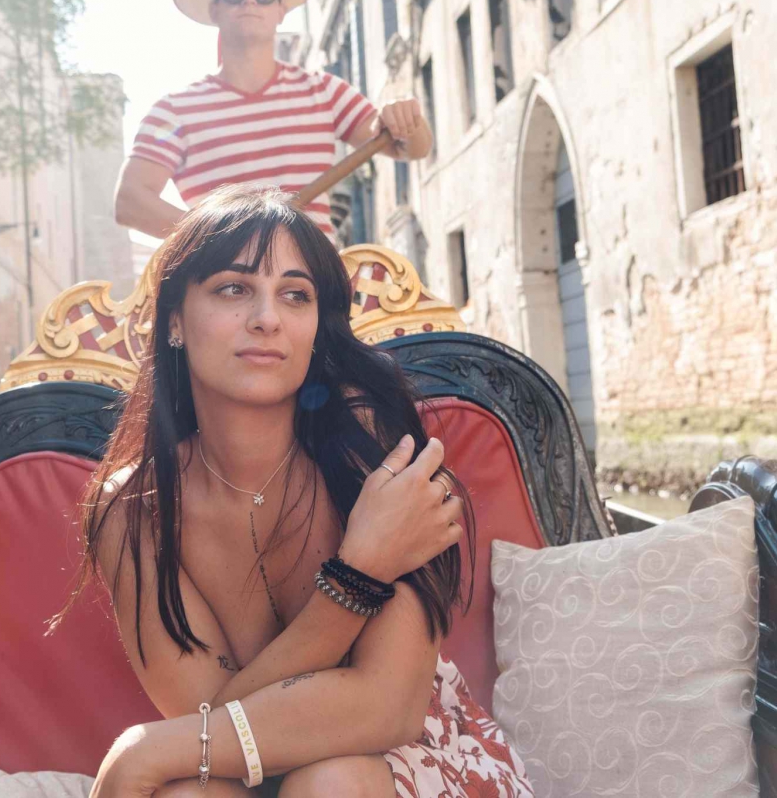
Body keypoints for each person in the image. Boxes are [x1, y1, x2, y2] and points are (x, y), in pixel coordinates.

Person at [65, 186, 533, 797]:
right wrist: (359, 572)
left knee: (327, 781)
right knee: (190, 792)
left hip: (417, 759)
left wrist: (142, 751)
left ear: (317, 326)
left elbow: (386, 707)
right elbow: (211, 725)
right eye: (234, 288)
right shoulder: (134, 510)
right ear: (175, 319)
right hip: (256, 775)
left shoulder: (380, 461)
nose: (267, 318)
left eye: (295, 294)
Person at [113, 0, 434, 240]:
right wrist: (216, 241)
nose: (249, 0)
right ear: (215, 10)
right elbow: (130, 202)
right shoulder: (175, 112)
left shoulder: (324, 92)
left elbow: (410, 149)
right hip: (223, 282)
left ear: (281, 9)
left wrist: (409, 121)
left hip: (314, 281)